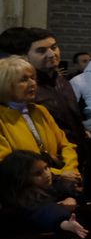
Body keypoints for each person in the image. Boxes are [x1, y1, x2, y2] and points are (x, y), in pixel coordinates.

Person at [0, 56, 81, 189]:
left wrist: (70, 169)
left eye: (32, 78)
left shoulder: (40, 111)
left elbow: (66, 145)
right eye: (24, 80)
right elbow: (8, 164)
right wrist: (59, 174)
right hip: (25, 190)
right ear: (6, 85)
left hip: (60, 181)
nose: (32, 83)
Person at [0, 28, 85, 145]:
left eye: (54, 47)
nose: (52, 54)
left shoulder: (61, 80)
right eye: (41, 51)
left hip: (76, 153)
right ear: (25, 56)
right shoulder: (24, 89)